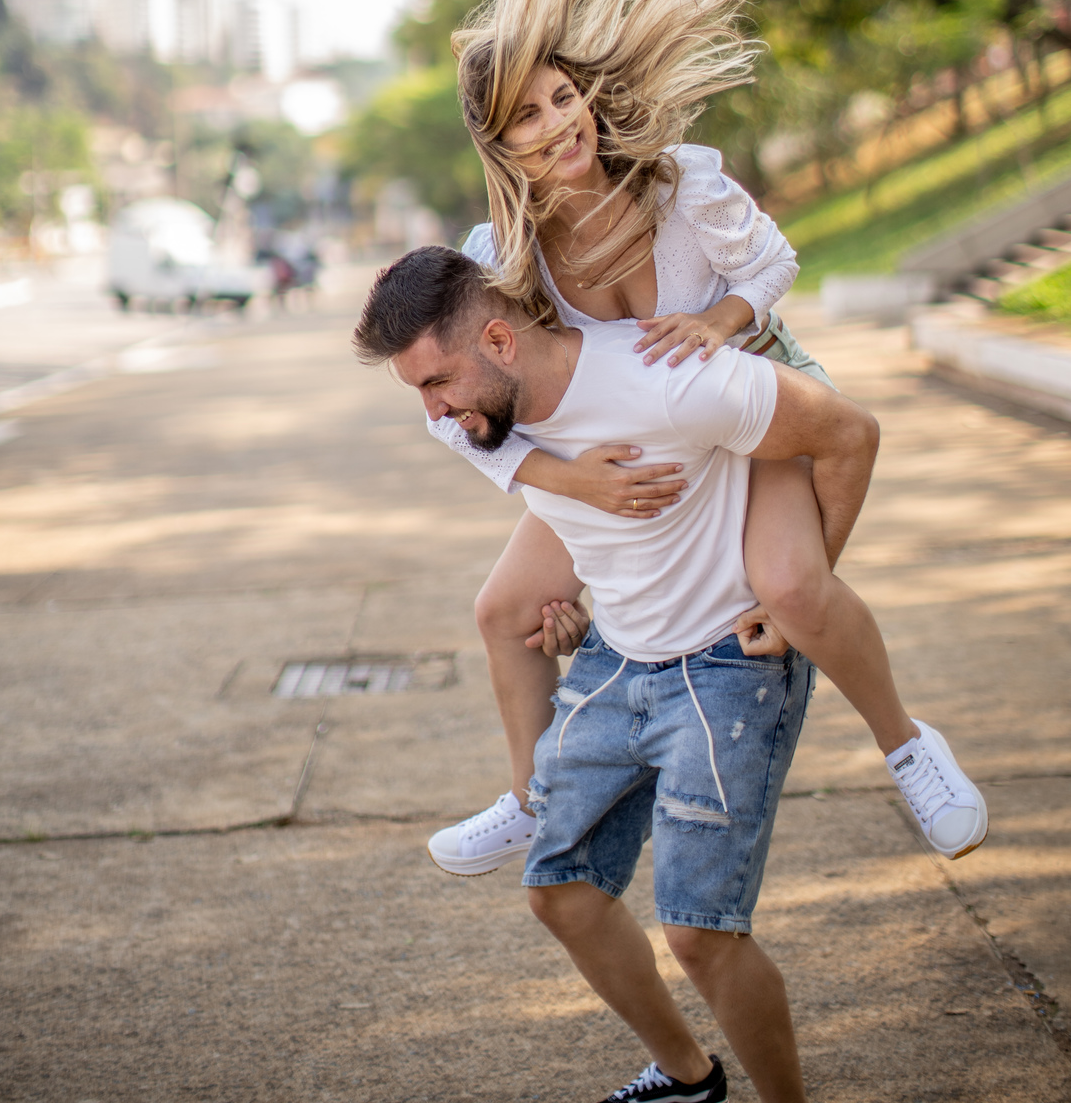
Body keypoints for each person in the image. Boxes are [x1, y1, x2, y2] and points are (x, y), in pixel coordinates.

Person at [418, 0, 987, 875]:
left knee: (793, 590)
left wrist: (720, 321)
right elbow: (448, 409)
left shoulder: (682, 182)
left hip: (751, 399)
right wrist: (566, 481)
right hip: (642, 443)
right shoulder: (500, 260)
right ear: (497, 145)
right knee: (505, 611)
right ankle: (530, 798)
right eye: (527, 118)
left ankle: (908, 745)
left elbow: (773, 263)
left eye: (563, 98)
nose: (559, 124)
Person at [354, 245, 888, 1103]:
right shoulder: (496, 418)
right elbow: (584, 548)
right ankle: (687, 1077)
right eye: (419, 391)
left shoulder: (670, 377)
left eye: (437, 384)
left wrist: (800, 591)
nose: (435, 413)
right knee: (561, 895)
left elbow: (850, 433)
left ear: (499, 340)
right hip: (617, 659)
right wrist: (573, 616)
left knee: (700, 934)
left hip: (727, 665)